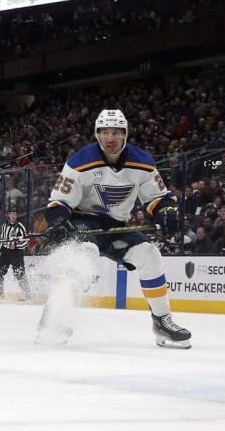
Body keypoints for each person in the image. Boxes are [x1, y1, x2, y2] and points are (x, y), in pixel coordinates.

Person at [40, 109, 192, 349]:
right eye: (105, 132)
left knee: (149, 254)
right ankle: (52, 320)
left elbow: (159, 197)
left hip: (116, 225)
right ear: (97, 135)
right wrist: (59, 223)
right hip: (83, 220)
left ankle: (162, 322)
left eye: (116, 132)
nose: (110, 137)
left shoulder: (142, 162)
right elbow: (59, 202)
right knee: (85, 251)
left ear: (125, 134)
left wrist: (166, 210)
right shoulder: (79, 161)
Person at [0, 205, 31, 303]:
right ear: (8, 215)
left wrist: (16, 246)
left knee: (19, 273)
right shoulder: (4, 226)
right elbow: (3, 239)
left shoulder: (20, 227)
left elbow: (26, 241)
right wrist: (1, 250)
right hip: (6, 252)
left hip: (17, 253)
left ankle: (26, 295)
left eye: (15, 214)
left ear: (17, 216)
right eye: (11, 214)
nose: (13, 216)